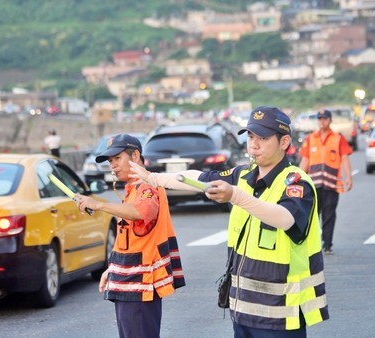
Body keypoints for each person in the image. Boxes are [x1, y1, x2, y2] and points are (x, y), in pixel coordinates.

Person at [129, 106, 329, 337]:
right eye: (251, 136)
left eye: (263, 138)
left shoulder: (295, 182)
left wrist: (235, 196)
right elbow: (198, 178)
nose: (253, 145)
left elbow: (285, 218)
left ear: (284, 142)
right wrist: (153, 178)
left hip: (281, 315)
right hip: (243, 310)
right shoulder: (244, 175)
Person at [74, 134, 185, 338]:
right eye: (110, 161)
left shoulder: (147, 186)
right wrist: (112, 269)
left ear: (135, 155)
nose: (113, 166)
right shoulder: (131, 190)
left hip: (141, 288)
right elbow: (129, 239)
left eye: (117, 158)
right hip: (129, 284)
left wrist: (99, 205)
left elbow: (143, 212)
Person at [298, 109, 353, 255]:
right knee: (313, 215)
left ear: (330, 120)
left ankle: (327, 244)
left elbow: (345, 158)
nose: (322, 121)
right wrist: (297, 178)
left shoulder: (338, 138)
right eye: (320, 119)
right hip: (314, 185)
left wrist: (349, 177)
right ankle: (312, 243)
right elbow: (305, 160)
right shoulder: (311, 139)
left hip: (331, 184)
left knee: (329, 215)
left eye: (325, 119)